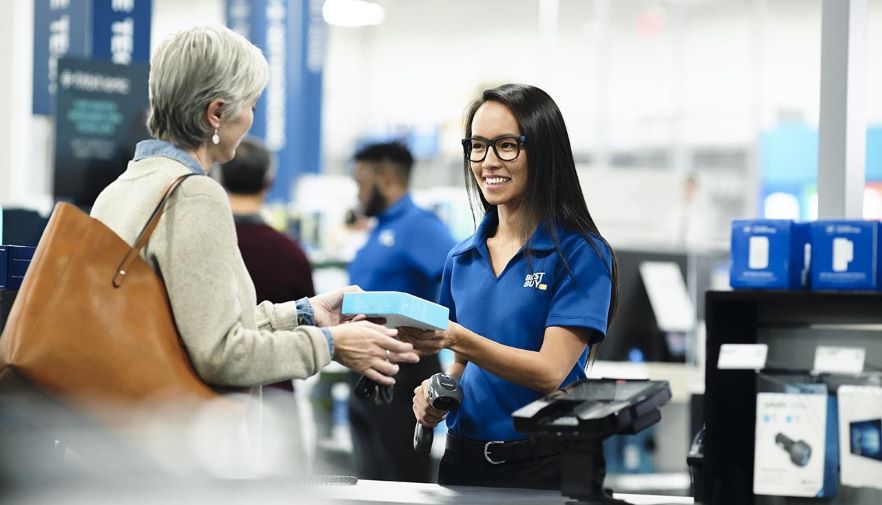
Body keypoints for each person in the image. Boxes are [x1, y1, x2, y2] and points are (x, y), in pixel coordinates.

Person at [90, 25, 418, 395]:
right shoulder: (194, 195)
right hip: (185, 440)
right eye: (251, 106)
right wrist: (330, 344)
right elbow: (222, 354)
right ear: (216, 112)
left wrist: (304, 313)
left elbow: (193, 328)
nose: (250, 119)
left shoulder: (122, 189)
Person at [409, 83, 618, 489]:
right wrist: (438, 396)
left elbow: (551, 373)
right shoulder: (462, 258)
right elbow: (463, 364)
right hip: (463, 462)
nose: (488, 162)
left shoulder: (582, 254)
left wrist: (456, 338)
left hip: (547, 465)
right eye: (478, 146)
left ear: (543, 151)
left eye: (507, 145)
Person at [346, 142, 457, 482]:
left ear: (388, 177)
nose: (358, 192)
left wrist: (440, 335)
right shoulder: (379, 228)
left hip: (401, 374)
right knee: (368, 479)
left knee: (401, 480)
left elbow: (458, 283)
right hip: (366, 370)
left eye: (362, 182)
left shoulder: (419, 225)